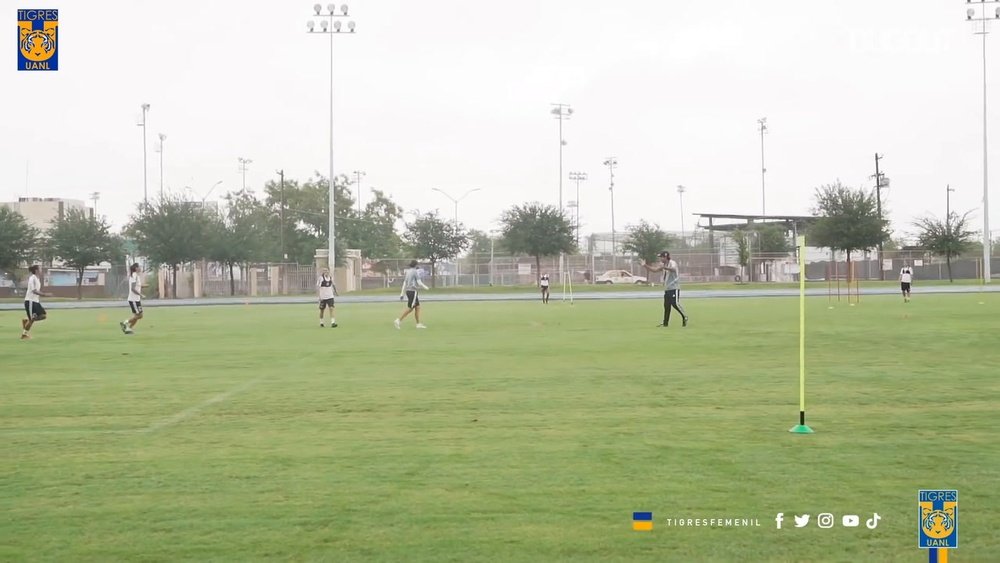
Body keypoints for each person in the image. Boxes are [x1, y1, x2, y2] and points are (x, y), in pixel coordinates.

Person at [641, 251, 689, 328]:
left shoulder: (672, 263)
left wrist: (664, 267)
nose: (660, 259)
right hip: (667, 289)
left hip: (674, 287)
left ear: (666, 257)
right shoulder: (663, 265)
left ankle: (685, 316)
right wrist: (645, 265)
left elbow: (673, 269)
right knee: (666, 306)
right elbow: (654, 270)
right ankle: (665, 323)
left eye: (661, 257)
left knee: (675, 303)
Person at [395, 260, 429, 329]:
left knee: (417, 307)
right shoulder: (414, 272)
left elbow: (404, 283)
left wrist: (402, 294)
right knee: (410, 308)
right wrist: (425, 287)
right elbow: (419, 282)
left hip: (408, 291)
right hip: (413, 291)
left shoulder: (408, 272)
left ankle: (418, 324)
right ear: (416, 265)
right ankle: (398, 320)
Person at [21, 265, 52, 340]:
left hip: (36, 302)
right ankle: (24, 335)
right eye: (40, 269)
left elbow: (37, 290)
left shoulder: (37, 279)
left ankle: (27, 320)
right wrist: (45, 294)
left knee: (43, 316)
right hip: (30, 301)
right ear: (36, 270)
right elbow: (34, 291)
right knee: (32, 319)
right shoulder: (32, 278)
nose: (41, 270)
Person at [120, 263, 144, 335]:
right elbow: (133, 289)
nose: (140, 268)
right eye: (139, 267)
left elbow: (137, 286)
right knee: (139, 315)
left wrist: (143, 286)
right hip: (133, 299)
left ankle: (129, 328)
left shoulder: (136, 275)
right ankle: (124, 323)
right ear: (136, 268)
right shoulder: (134, 275)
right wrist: (141, 294)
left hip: (136, 299)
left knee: (138, 316)